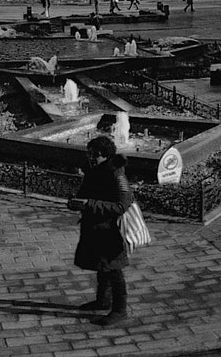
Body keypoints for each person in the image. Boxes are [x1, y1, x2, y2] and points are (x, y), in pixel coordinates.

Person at [68, 134, 134, 325]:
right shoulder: (95, 170)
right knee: (101, 265)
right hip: (95, 228)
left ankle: (120, 310)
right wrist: (76, 202)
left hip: (111, 231)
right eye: (89, 154)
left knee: (114, 269)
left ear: (105, 155)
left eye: (94, 154)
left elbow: (122, 205)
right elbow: (86, 193)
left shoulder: (117, 174)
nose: (91, 158)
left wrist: (89, 204)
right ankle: (103, 301)